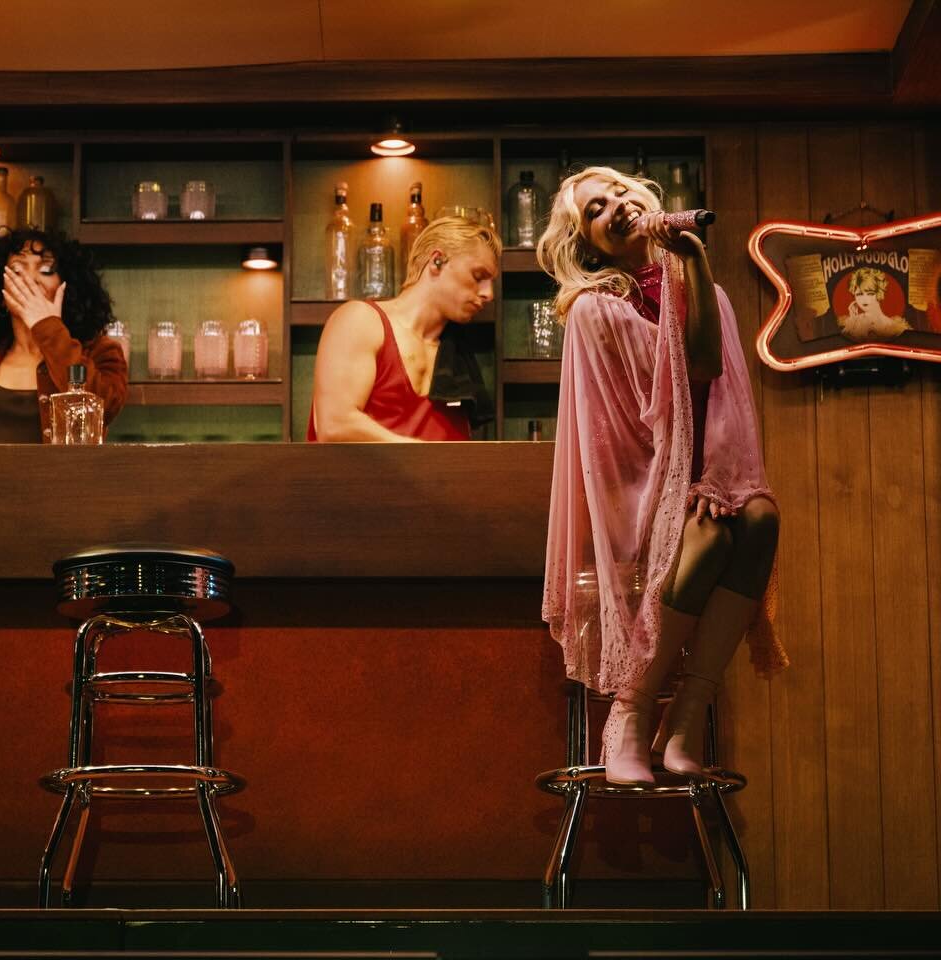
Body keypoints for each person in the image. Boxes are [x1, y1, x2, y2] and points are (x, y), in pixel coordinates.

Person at [536, 165, 786, 786]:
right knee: (711, 534)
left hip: (708, 482)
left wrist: (693, 263)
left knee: (760, 515)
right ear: (587, 246)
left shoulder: (709, 294)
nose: (615, 205)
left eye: (620, 192)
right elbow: (650, 412)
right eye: (595, 209)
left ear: (647, 198)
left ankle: (687, 714)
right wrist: (687, 490)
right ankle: (632, 708)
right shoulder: (594, 309)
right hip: (637, 497)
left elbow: (714, 380)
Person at [0, 228, 127, 443]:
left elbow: (106, 407)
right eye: (17, 270)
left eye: (46, 269)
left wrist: (49, 328)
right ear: (0, 293)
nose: (32, 279)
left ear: (66, 285)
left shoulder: (99, 351)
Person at [308, 215, 499, 442]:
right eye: (478, 276)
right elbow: (335, 425)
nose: (488, 294)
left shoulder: (458, 357)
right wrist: (422, 456)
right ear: (437, 261)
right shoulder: (361, 321)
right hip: (370, 470)